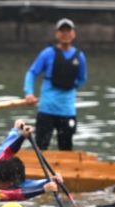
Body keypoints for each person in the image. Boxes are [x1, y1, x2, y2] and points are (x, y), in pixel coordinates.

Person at [24, 18, 87, 151]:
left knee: (66, 148)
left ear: (73, 34)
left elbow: (81, 79)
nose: (65, 34)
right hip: (47, 109)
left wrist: (69, 85)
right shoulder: (47, 54)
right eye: (62, 31)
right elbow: (32, 72)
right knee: (41, 146)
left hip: (67, 110)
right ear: (57, 34)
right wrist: (29, 92)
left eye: (68, 30)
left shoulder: (79, 56)